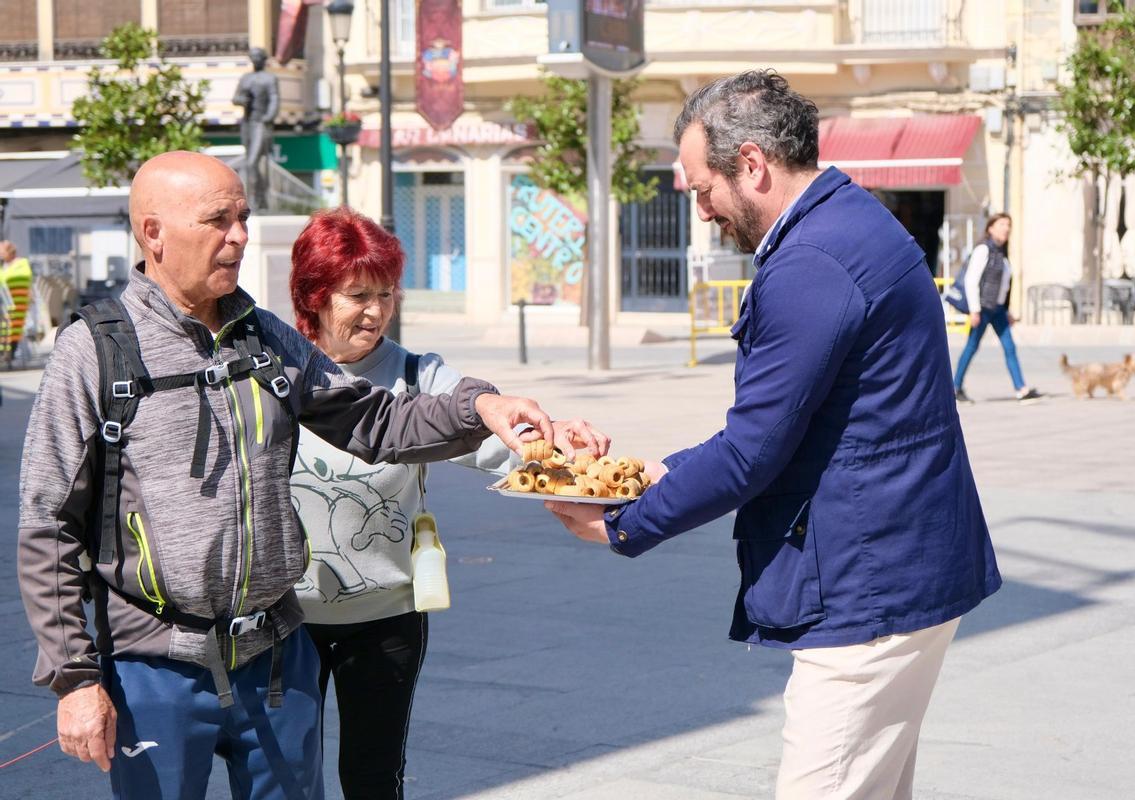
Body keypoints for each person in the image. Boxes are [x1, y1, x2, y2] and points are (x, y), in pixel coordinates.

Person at [17, 151, 556, 799]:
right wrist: (74, 680)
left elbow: (376, 421)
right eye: (217, 220)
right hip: (152, 667)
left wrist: (480, 405)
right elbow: (48, 524)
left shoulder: (266, 340)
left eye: (243, 217)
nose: (239, 235)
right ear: (153, 233)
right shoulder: (96, 351)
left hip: (275, 662)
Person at [547, 71, 1001, 800]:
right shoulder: (855, 217)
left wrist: (624, 524)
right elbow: (790, 426)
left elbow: (753, 451)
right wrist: (660, 472)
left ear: (752, 163)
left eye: (702, 191)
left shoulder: (810, 263)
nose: (702, 213)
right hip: (903, 560)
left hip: (867, 585)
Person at [288, 207, 610, 798]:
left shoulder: (416, 373)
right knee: (285, 774)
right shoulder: (278, 371)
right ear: (314, 296)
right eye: (357, 294)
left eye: (386, 294)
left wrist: (558, 441)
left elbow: (492, 429)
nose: (376, 311)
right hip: (284, 622)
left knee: (372, 776)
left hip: (384, 618)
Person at [952, 212, 1042, 404]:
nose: (1006, 228)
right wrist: (974, 310)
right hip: (982, 308)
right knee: (971, 347)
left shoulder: (1002, 254)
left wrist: (1006, 310)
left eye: (1008, 225)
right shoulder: (983, 250)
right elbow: (971, 280)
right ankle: (955, 387)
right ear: (990, 228)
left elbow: (1003, 286)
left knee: (1010, 347)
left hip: (998, 309)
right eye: (1001, 224)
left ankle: (1021, 390)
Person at [232, 47, 279, 211]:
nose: (256, 60)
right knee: (249, 162)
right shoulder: (246, 78)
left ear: (264, 59)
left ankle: (256, 198)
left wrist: (269, 117)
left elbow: (274, 99)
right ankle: (258, 199)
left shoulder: (270, 78)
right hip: (247, 123)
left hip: (260, 123)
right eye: (253, 57)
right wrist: (242, 99)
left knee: (252, 163)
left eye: (258, 57)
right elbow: (235, 98)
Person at [0, 239, 32, 364]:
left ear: (9, 252)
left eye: (2, 251)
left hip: (16, 304)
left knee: (9, 325)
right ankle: (6, 353)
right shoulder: (5, 266)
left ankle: (8, 353)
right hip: (7, 303)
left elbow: (12, 278)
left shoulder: (21, 263)